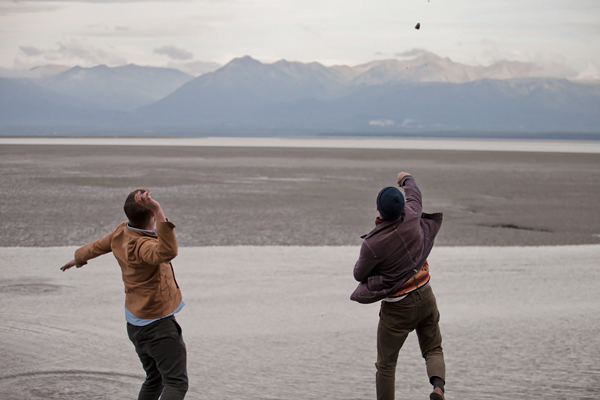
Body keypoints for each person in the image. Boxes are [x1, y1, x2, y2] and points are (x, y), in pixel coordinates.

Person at [60, 189, 188, 400]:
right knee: (176, 383)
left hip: (135, 323)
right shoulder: (143, 245)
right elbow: (168, 252)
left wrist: (79, 258)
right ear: (152, 216)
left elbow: (99, 245)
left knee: (154, 378)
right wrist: (156, 207)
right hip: (158, 325)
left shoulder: (123, 231)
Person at [351, 172, 445, 400]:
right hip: (425, 294)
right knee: (433, 348)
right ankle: (438, 389)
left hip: (397, 308)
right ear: (402, 206)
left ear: (378, 210)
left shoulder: (373, 243)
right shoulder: (412, 214)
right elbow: (414, 193)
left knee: (386, 366)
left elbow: (358, 274)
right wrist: (405, 178)